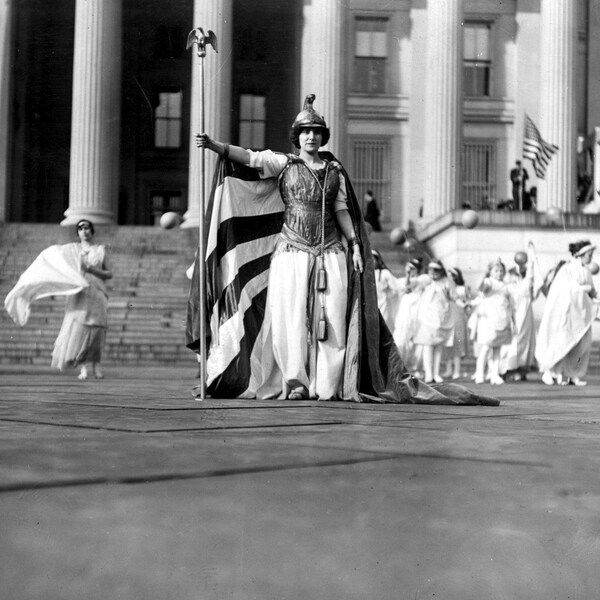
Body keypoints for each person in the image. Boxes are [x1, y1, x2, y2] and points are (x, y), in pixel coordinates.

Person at [188, 94, 498, 406]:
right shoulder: (284, 163)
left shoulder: (334, 170)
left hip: (331, 252)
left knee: (333, 320)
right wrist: (215, 145)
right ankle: (296, 382)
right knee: (290, 320)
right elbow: (250, 158)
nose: (311, 136)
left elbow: (342, 212)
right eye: (306, 131)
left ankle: (328, 383)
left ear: (323, 136)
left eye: (316, 131)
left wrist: (355, 247)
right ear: (297, 137)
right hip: (292, 253)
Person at [4, 219, 112, 379]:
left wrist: (91, 269)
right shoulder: (73, 251)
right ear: (77, 232)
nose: (84, 231)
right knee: (79, 329)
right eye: (81, 228)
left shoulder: (100, 250)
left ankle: (96, 366)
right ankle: (83, 368)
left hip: (97, 292)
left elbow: (109, 274)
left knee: (96, 329)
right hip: (80, 292)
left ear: (92, 230)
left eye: (87, 227)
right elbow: (55, 259)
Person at [535, 240, 597, 386]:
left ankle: (573, 375)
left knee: (580, 346)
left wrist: (592, 292)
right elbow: (563, 291)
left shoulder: (586, 270)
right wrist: (584, 289)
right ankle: (550, 371)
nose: (591, 257)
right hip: (566, 314)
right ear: (580, 254)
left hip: (581, 315)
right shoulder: (567, 269)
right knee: (561, 342)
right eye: (588, 254)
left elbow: (592, 291)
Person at [469, 259, 515, 385]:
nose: (499, 273)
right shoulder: (489, 282)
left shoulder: (506, 286)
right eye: (496, 270)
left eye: (501, 271)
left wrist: (513, 321)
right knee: (485, 347)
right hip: (489, 320)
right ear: (490, 271)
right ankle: (479, 373)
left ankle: (494, 374)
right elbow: (480, 287)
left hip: (502, 319)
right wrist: (484, 275)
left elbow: (511, 305)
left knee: (497, 349)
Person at [500, 243, 539, 382]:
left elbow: (532, 274)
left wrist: (532, 254)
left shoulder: (527, 282)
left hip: (526, 315)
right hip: (515, 314)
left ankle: (522, 369)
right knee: (513, 340)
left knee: (526, 341)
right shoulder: (510, 286)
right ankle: (506, 369)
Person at [413, 260, 455, 383]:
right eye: (431, 271)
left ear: (441, 271)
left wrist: (462, 302)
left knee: (438, 346)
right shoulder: (426, 281)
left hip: (442, 317)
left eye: (436, 271)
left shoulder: (446, 282)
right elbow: (414, 285)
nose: (434, 274)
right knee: (428, 345)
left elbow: (453, 295)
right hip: (427, 317)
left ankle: (436, 373)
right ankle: (429, 373)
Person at [393, 257, 427, 377]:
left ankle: (415, 368)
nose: (410, 270)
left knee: (416, 342)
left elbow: (412, 284)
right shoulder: (402, 280)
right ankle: (400, 367)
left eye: (412, 268)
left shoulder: (423, 278)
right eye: (408, 268)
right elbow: (404, 286)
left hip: (418, 315)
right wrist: (407, 276)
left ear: (417, 269)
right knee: (400, 339)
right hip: (404, 315)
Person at [443, 267, 470, 380]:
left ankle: (457, 370)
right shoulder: (445, 287)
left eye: (453, 275)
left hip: (459, 317)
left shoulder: (463, 288)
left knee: (458, 343)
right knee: (448, 344)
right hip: (448, 316)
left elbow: (466, 302)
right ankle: (448, 369)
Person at [372, 249, 399, 332]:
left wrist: (387, 295)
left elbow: (395, 289)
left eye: (373, 259)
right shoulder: (366, 274)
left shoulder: (385, 273)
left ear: (378, 260)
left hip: (383, 304)